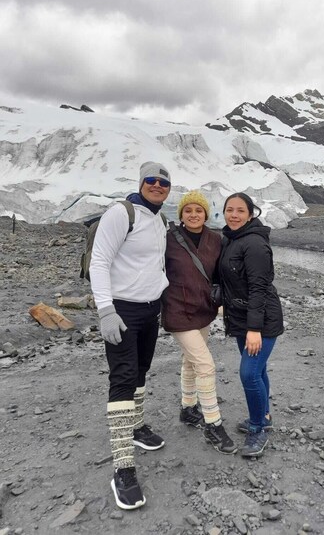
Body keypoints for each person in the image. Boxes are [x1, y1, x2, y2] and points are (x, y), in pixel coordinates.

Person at [90, 161, 171, 510]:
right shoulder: (121, 213)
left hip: (150, 310)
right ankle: (123, 468)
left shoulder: (160, 220)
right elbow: (99, 261)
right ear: (140, 183)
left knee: (140, 372)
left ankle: (136, 427)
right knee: (122, 379)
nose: (157, 185)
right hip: (122, 311)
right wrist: (105, 310)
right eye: (151, 180)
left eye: (163, 182)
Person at [161, 190, 237, 455]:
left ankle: (187, 407)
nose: (193, 215)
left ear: (206, 213)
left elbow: (222, 272)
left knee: (190, 361)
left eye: (198, 210)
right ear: (181, 214)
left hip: (204, 309)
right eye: (188, 210)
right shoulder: (167, 239)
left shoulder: (215, 239)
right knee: (205, 365)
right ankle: (212, 423)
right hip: (177, 311)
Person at [219, 192, 284, 458]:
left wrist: (254, 329)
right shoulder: (231, 240)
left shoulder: (254, 244)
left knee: (249, 373)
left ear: (250, 214)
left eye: (240, 211)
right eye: (229, 210)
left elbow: (259, 287)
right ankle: (264, 416)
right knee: (258, 370)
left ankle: (258, 429)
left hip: (261, 320)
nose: (233, 215)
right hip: (241, 318)